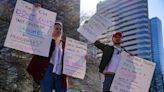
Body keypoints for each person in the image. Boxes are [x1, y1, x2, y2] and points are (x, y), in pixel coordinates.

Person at [27, 22, 67, 92]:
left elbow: (70, 58)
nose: (58, 30)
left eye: (60, 29)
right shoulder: (46, 42)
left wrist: (82, 58)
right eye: (56, 28)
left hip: (60, 74)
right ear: (52, 30)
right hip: (48, 71)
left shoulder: (65, 44)